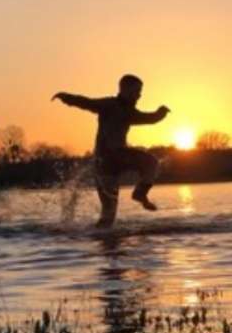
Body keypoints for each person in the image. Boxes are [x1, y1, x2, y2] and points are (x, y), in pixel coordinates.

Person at [53, 74, 170, 227]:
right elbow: (86, 103)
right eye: (136, 91)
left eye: (140, 91)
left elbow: (149, 119)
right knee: (109, 212)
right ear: (125, 90)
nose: (139, 95)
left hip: (118, 158)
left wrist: (160, 113)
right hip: (106, 160)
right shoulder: (109, 105)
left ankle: (139, 193)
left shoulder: (131, 112)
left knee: (151, 162)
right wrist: (67, 97)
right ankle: (104, 239)